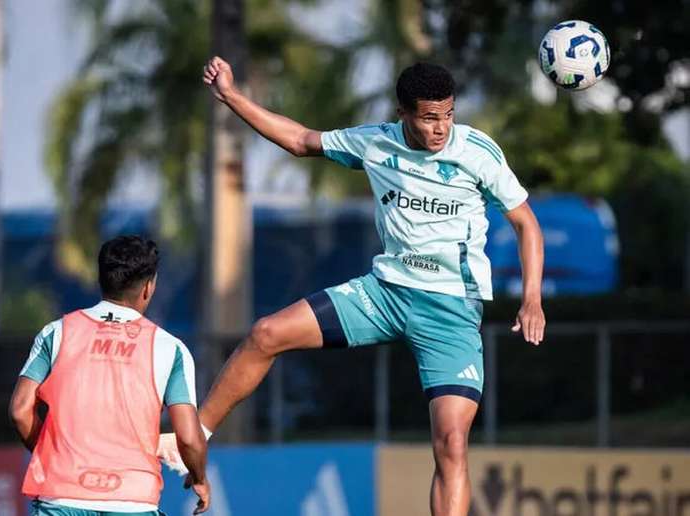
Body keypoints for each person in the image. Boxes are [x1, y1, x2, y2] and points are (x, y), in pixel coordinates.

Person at [200, 57, 545, 515]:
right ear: (403, 113)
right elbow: (302, 140)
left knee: (451, 442)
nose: (441, 128)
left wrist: (532, 298)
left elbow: (526, 223)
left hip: (450, 311)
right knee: (266, 333)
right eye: (428, 117)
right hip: (383, 294)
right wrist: (231, 95)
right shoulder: (376, 143)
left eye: (448, 115)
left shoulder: (478, 153)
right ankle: (192, 434)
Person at [9, 235, 210, 515]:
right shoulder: (170, 349)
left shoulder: (56, 333)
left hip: (60, 499)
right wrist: (199, 478)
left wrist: (52, 456)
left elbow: (20, 410)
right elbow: (188, 438)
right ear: (148, 288)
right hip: (132, 502)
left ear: (101, 279)